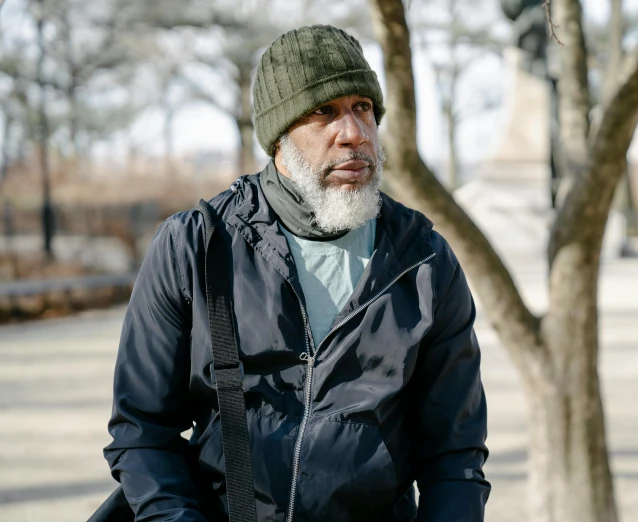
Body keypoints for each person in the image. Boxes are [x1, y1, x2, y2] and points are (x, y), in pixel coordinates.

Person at [104, 24, 490, 522]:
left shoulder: (424, 262)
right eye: (322, 111)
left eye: (363, 108)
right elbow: (141, 431)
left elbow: (454, 457)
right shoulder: (195, 247)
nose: (354, 133)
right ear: (279, 137)